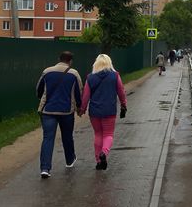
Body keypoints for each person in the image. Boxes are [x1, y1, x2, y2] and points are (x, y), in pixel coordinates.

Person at [36, 51, 83, 179]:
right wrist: (79, 107)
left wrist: (43, 99)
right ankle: (69, 160)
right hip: (66, 111)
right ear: (70, 61)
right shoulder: (74, 74)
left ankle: (45, 168)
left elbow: (39, 90)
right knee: (67, 136)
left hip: (48, 111)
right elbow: (79, 93)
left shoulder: (47, 72)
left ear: (59, 59)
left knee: (48, 138)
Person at [79, 54, 127, 171]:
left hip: (94, 112)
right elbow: (121, 92)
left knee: (98, 134)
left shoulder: (90, 77)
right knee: (108, 134)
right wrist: (123, 105)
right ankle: (104, 153)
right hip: (109, 110)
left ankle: (98, 161)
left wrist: (82, 109)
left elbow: (85, 96)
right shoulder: (115, 76)